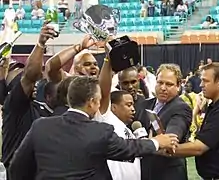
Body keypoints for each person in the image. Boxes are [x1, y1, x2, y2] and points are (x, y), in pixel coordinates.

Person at [9, 76, 178, 180]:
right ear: (91, 102)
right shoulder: (99, 131)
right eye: (98, 100)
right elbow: (128, 148)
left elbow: (17, 167)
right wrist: (156, 142)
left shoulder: (41, 126)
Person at [170, 62, 219, 180]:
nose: (201, 85)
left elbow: (199, 147)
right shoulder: (218, 104)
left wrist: (166, 148)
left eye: (206, 81)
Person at [1, 21, 56, 171]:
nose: (35, 84)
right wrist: (40, 43)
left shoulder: (38, 106)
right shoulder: (14, 105)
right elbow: (30, 75)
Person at [135, 63, 192, 180]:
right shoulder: (145, 104)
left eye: (169, 84)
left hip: (168, 174)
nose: (163, 87)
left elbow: (171, 138)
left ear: (178, 86)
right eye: (160, 82)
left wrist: (147, 144)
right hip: (145, 172)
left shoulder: (181, 108)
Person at [104, 90, 140, 180]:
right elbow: (104, 90)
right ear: (113, 107)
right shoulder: (108, 121)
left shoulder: (127, 129)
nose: (133, 109)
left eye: (133, 105)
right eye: (128, 105)